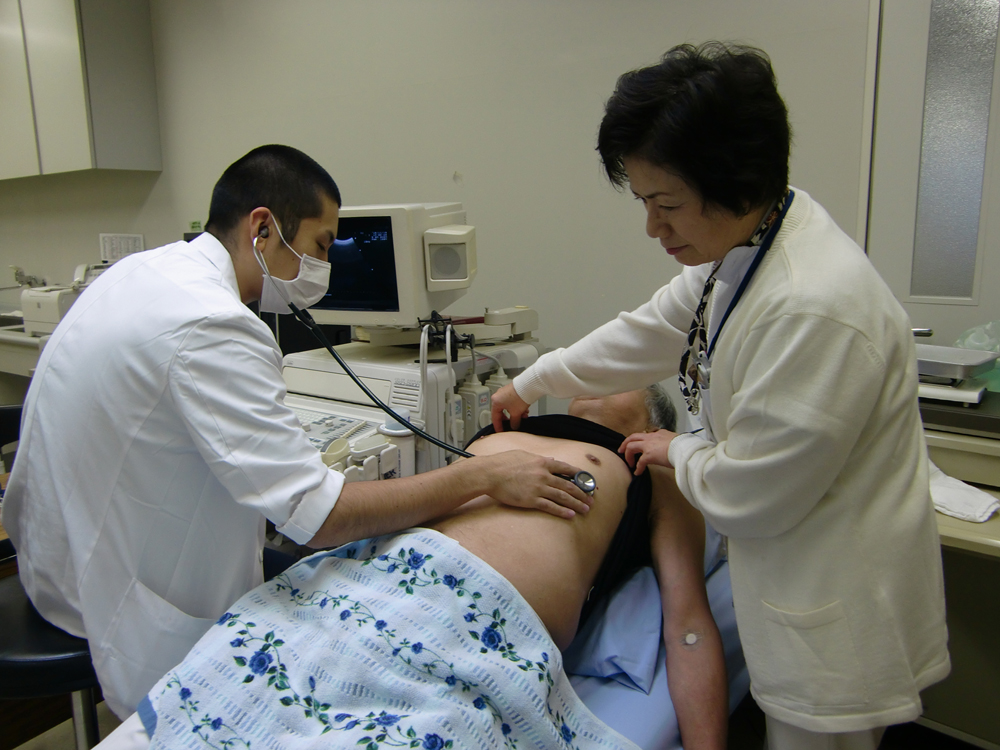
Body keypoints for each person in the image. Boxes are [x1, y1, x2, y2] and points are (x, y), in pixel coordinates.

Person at [1, 144, 592, 720]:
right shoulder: (214, 323)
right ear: (262, 228)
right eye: (321, 245)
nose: (324, 268)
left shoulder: (144, 273)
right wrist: (481, 475)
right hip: (115, 597)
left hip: (54, 560)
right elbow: (320, 518)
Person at [491, 43, 950, 749]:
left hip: (834, 608)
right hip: (789, 572)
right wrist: (536, 379)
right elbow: (650, 330)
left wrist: (676, 449)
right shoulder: (746, 248)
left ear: (733, 180)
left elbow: (758, 492)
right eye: (645, 202)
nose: (653, 227)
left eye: (667, 205)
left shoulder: (813, 305)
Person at [96, 388, 726, 750]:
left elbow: (688, 626)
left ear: (652, 421)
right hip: (367, 584)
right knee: (239, 683)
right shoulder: (501, 434)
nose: (598, 373)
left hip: (474, 624)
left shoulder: (652, 471)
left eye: (622, 372)